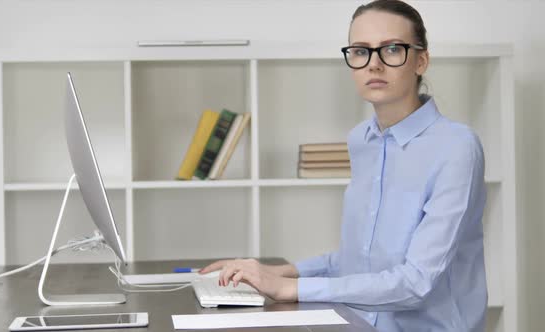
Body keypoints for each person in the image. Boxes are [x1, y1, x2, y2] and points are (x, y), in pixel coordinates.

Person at [200, 0, 488, 330]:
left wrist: (290, 289)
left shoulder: (456, 147)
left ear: (421, 60)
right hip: (358, 323)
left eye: (392, 49)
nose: (373, 64)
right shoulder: (361, 140)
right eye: (361, 51)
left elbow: (416, 281)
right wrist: (283, 271)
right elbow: (360, 259)